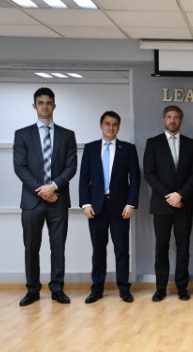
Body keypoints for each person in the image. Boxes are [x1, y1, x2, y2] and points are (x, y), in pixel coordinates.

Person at [13, 87, 77, 306]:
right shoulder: (22, 134)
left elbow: (71, 167)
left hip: (58, 199)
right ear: (34, 106)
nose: (45, 106)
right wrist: (43, 190)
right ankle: (32, 290)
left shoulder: (67, 135)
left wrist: (53, 187)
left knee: (58, 247)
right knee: (31, 247)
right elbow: (20, 167)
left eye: (49, 102)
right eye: (40, 103)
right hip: (32, 201)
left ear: (54, 105)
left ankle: (57, 289)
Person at [79, 111, 141, 304]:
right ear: (101, 125)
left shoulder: (128, 149)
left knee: (122, 250)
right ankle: (96, 289)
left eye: (115, 124)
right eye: (107, 124)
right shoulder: (90, 148)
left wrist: (131, 203)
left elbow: (135, 179)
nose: (111, 127)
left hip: (120, 207)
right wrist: (85, 203)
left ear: (118, 127)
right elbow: (83, 178)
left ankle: (124, 289)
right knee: (98, 250)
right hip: (96, 207)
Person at [143, 105, 193, 302]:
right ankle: (160, 288)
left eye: (176, 117)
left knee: (183, 248)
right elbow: (149, 173)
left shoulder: (191, 144)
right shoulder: (153, 143)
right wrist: (169, 195)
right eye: (169, 117)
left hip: (184, 205)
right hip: (161, 204)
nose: (172, 120)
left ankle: (182, 287)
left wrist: (180, 195)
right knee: (161, 248)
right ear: (163, 120)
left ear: (181, 120)